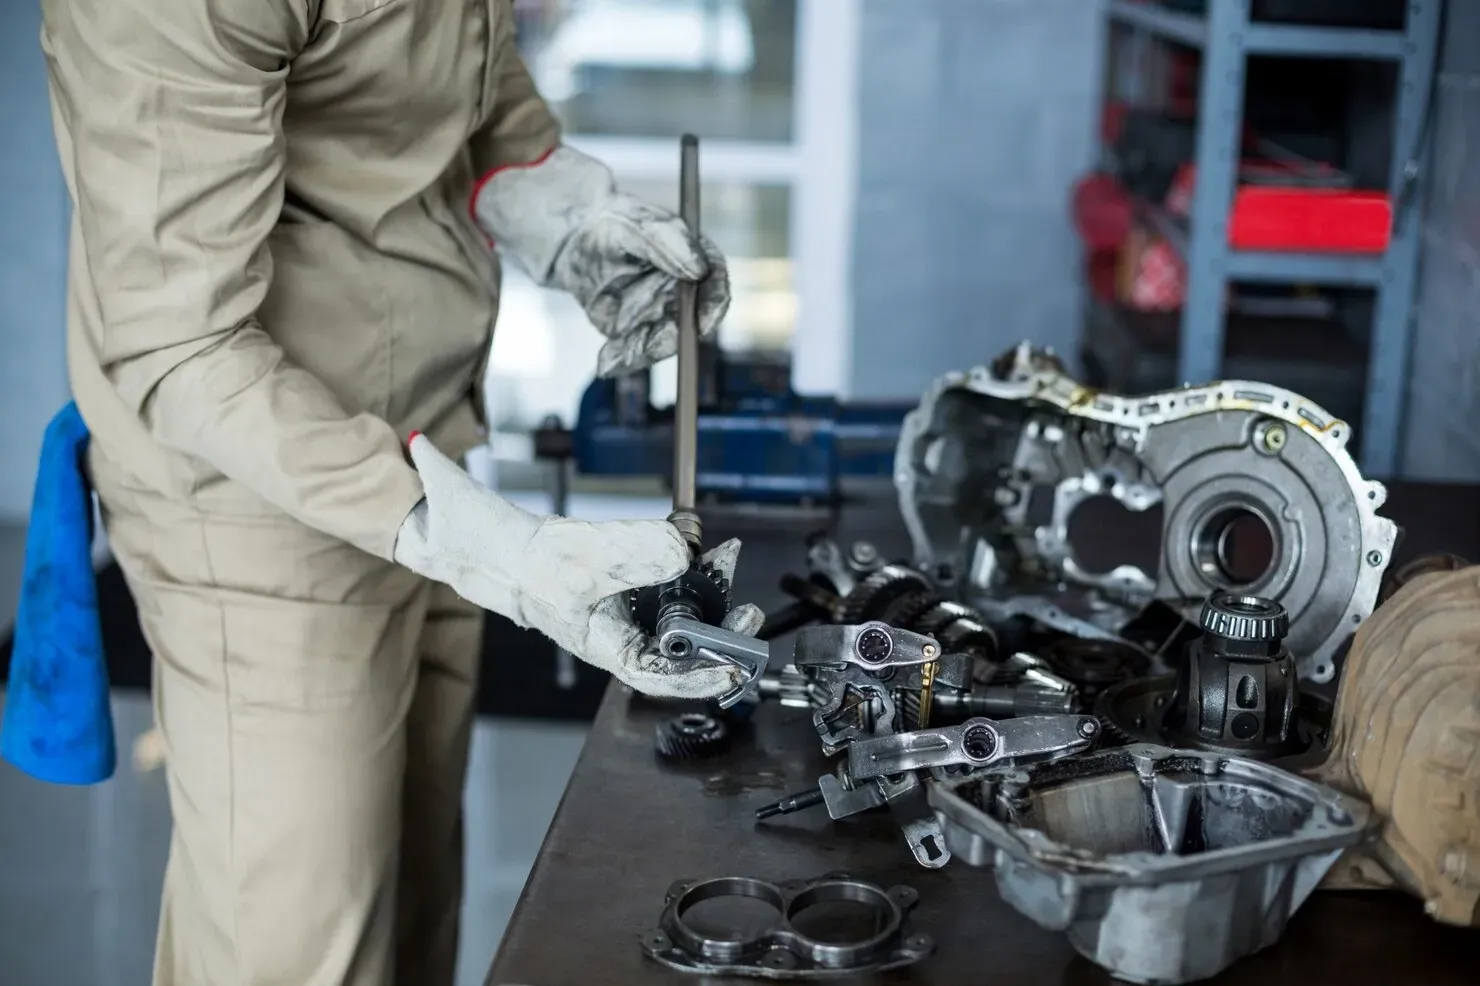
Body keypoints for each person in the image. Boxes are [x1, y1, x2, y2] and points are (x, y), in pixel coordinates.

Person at [39, 1, 759, 983]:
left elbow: (468, 79)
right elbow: (180, 343)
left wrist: (566, 216)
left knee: (410, 903)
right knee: (301, 947)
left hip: (431, 451)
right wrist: (474, 540)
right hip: (258, 501)